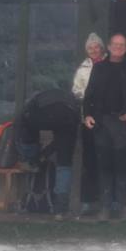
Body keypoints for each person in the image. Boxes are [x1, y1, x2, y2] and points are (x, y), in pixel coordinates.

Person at [83, 33, 126, 221]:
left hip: (122, 122)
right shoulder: (99, 68)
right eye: (115, 44)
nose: (118, 47)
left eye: (122, 45)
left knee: (122, 166)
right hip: (102, 121)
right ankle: (105, 207)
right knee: (104, 165)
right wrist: (87, 114)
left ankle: (123, 206)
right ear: (108, 47)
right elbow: (89, 94)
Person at [14, 88, 81, 218]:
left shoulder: (35, 100)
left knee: (27, 132)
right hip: (68, 116)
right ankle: (60, 209)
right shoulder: (72, 104)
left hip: (38, 115)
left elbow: (21, 122)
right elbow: (60, 142)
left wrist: (33, 156)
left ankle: (32, 163)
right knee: (64, 163)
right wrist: (44, 154)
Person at [71, 32, 105, 217]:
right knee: (90, 161)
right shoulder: (83, 69)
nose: (93, 50)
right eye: (90, 47)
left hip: (107, 117)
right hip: (88, 118)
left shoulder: (109, 65)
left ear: (102, 48)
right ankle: (88, 201)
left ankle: (107, 201)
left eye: (96, 47)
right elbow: (77, 92)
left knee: (108, 159)